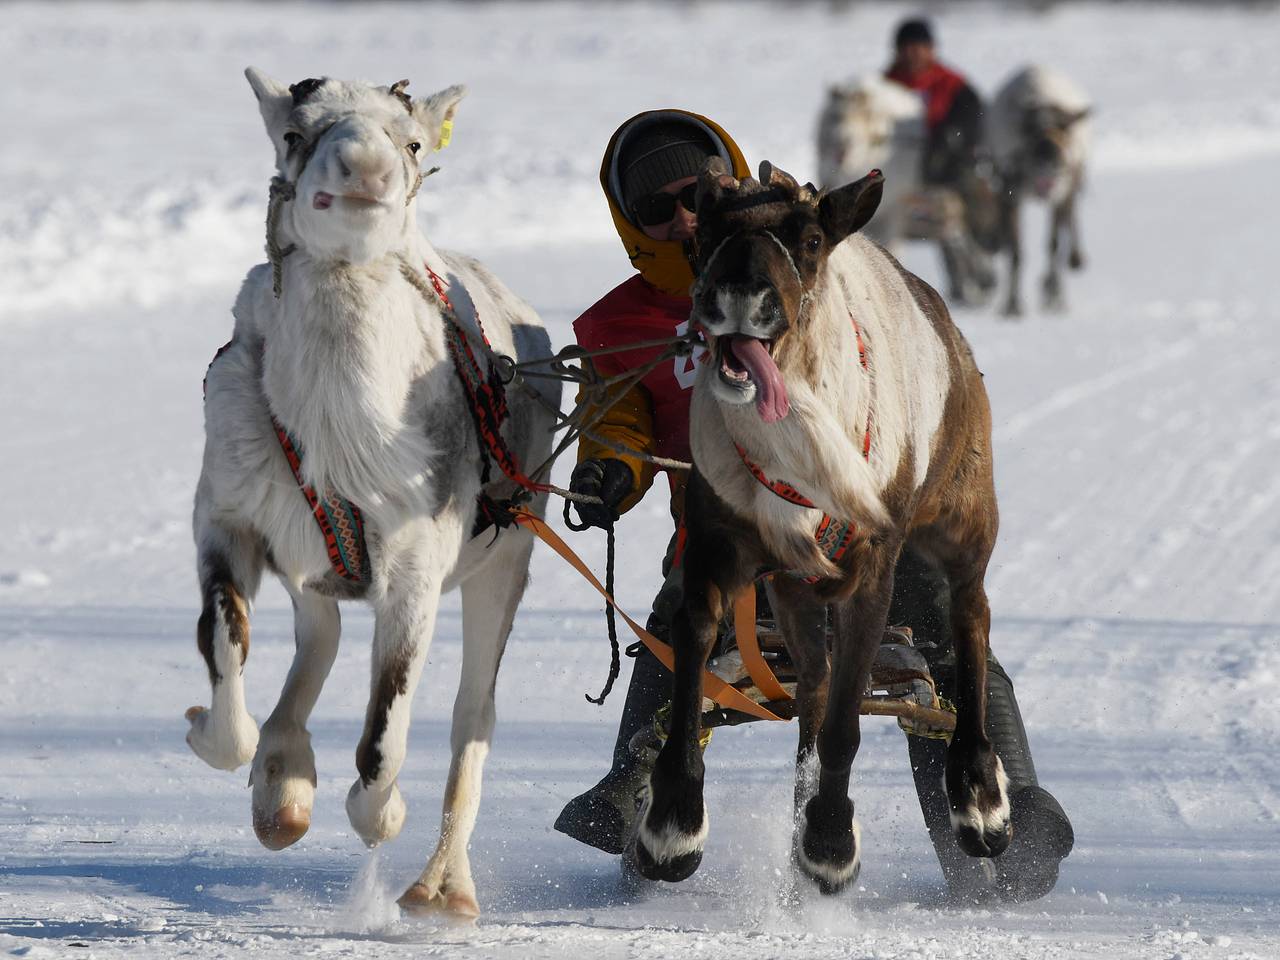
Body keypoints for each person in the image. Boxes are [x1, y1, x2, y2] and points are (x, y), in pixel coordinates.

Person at [553, 110, 1073, 903]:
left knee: (934, 610)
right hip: (727, 537)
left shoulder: (798, 273)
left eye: (695, 192)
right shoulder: (617, 325)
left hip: (853, 529)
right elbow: (615, 415)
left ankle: (1005, 801)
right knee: (674, 627)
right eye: (656, 210)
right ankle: (634, 788)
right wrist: (612, 471)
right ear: (629, 225)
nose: (684, 218)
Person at [885, 17, 1000, 303]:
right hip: (900, 175)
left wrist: (952, 137)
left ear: (931, 49)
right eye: (907, 47)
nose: (913, 54)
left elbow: (974, 119)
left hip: (948, 171)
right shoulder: (885, 86)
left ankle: (975, 269)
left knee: (965, 208)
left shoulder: (952, 85)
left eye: (919, 47)